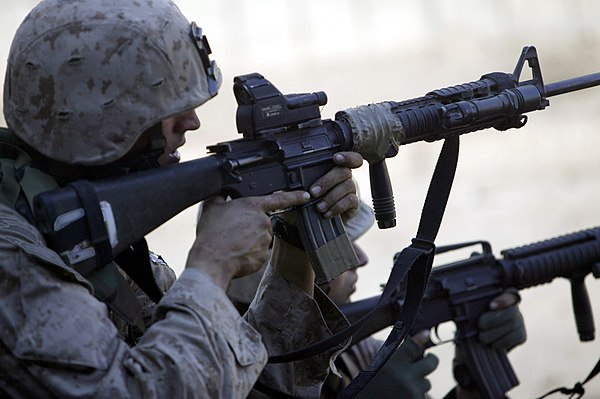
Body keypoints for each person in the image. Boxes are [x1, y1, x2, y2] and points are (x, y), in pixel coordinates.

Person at [0, 0, 365, 398]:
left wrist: (295, 237)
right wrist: (212, 265)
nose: (191, 121)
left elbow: (243, 386)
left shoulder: (92, 237)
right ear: (99, 117)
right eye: (169, 108)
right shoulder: (13, 258)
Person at [225, 200, 527, 399]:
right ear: (272, 266)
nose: (361, 258)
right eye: (335, 245)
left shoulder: (357, 354)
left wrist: (472, 385)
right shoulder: (221, 377)